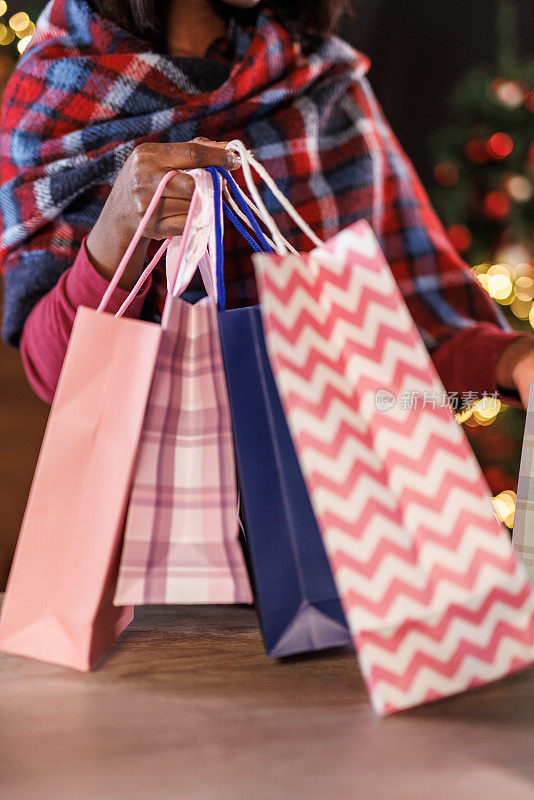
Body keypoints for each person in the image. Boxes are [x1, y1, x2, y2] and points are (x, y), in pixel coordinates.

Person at [1, 0, 534, 408]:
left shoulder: (322, 82)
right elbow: (58, 378)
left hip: (343, 514)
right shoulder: (55, 95)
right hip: (169, 527)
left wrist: (513, 362)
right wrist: (117, 234)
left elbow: (402, 360)